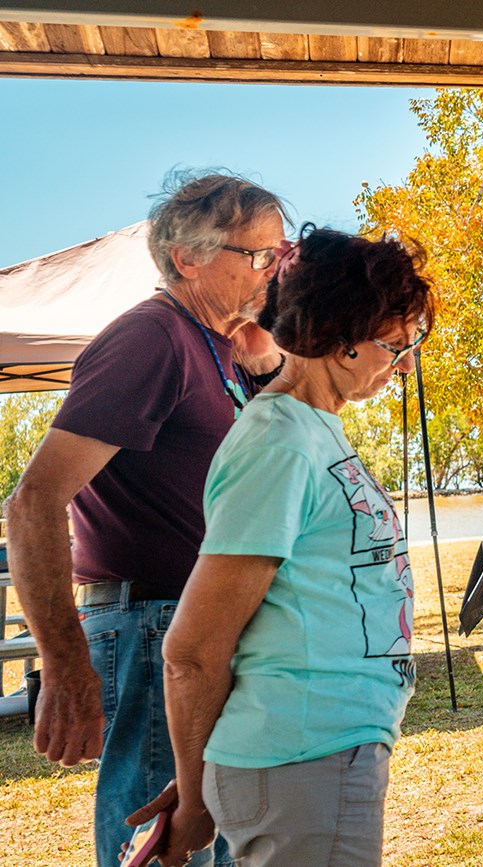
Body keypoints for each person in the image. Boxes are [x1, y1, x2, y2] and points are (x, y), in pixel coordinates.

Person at [3, 172, 288, 866]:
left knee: (216, 838)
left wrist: (267, 360)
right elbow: (34, 501)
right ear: (187, 257)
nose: (271, 271)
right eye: (254, 255)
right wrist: (65, 666)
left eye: (278, 254)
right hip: (153, 627)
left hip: (194, 625)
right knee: (170, 849)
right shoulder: (150, 338)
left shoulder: (220, 345)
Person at [131, 225, 432, 867]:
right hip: (304, 754)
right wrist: (192, 795)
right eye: (396, 344)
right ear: (341, 338)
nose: (405, 363)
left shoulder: (311, 430)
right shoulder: (279, 442)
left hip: (321, 751)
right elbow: (193, 649)